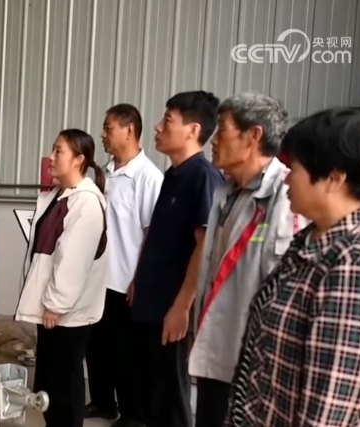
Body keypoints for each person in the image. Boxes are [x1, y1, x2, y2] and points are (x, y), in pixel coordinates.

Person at [225, 108, 360, 426]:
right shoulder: (315, 238)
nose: (286, 176)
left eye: (294, 167)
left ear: (334, 178)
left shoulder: (358, 263)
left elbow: (328, 407)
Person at [188, 93, 305, 427]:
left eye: (222, 128)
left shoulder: (286, 197)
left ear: (253, 136)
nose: (213, 140)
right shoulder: (227, 192)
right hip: (217, 350)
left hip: (254, 366)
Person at [128, 91, 224, 427]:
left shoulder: (203, 177)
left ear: (193, 130)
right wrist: (138, 279)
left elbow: (205, 244)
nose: (157, 127)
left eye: (167, 120)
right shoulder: (172, 175)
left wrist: (182, 306)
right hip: (152, 304)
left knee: (171, 396)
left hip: (172, 310)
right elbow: (158, 236)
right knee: (152, 393)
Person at [15, 129, 110, 427]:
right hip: (53, 310)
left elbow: (74, 260)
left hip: (66, 314)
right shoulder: (59, 196)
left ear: (79, 160)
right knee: (49, 384)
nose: (51, 157)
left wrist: (56, 304)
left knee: (64, 385)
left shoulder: (86, 202)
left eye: (59, 151)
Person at [86, 104, 162, 426]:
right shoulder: (104, 174)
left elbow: (152, 234)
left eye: (108, 128)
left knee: (127, 354)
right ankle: (103, 402)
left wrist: (139, 279)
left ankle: (133, 414)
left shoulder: (148, 178)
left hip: (125, 280)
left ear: (129, 130)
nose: (103, 135)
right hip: (98, 278)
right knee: (97, 346)